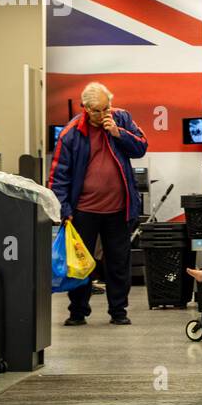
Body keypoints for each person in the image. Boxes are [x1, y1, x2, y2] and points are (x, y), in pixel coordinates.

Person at [48, 81, 148, 326]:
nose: (103, 115)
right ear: (85, 108)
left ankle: (119, 311)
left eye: (106, 108)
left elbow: (141, 147)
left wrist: (118, 133)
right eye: (97, 111)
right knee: (81, 264)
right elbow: (58, 175)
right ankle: (78, 312)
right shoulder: (71, 133)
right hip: (83, 211)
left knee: (117, 262)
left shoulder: (121, 119)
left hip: (119, 208)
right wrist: (64, 209)